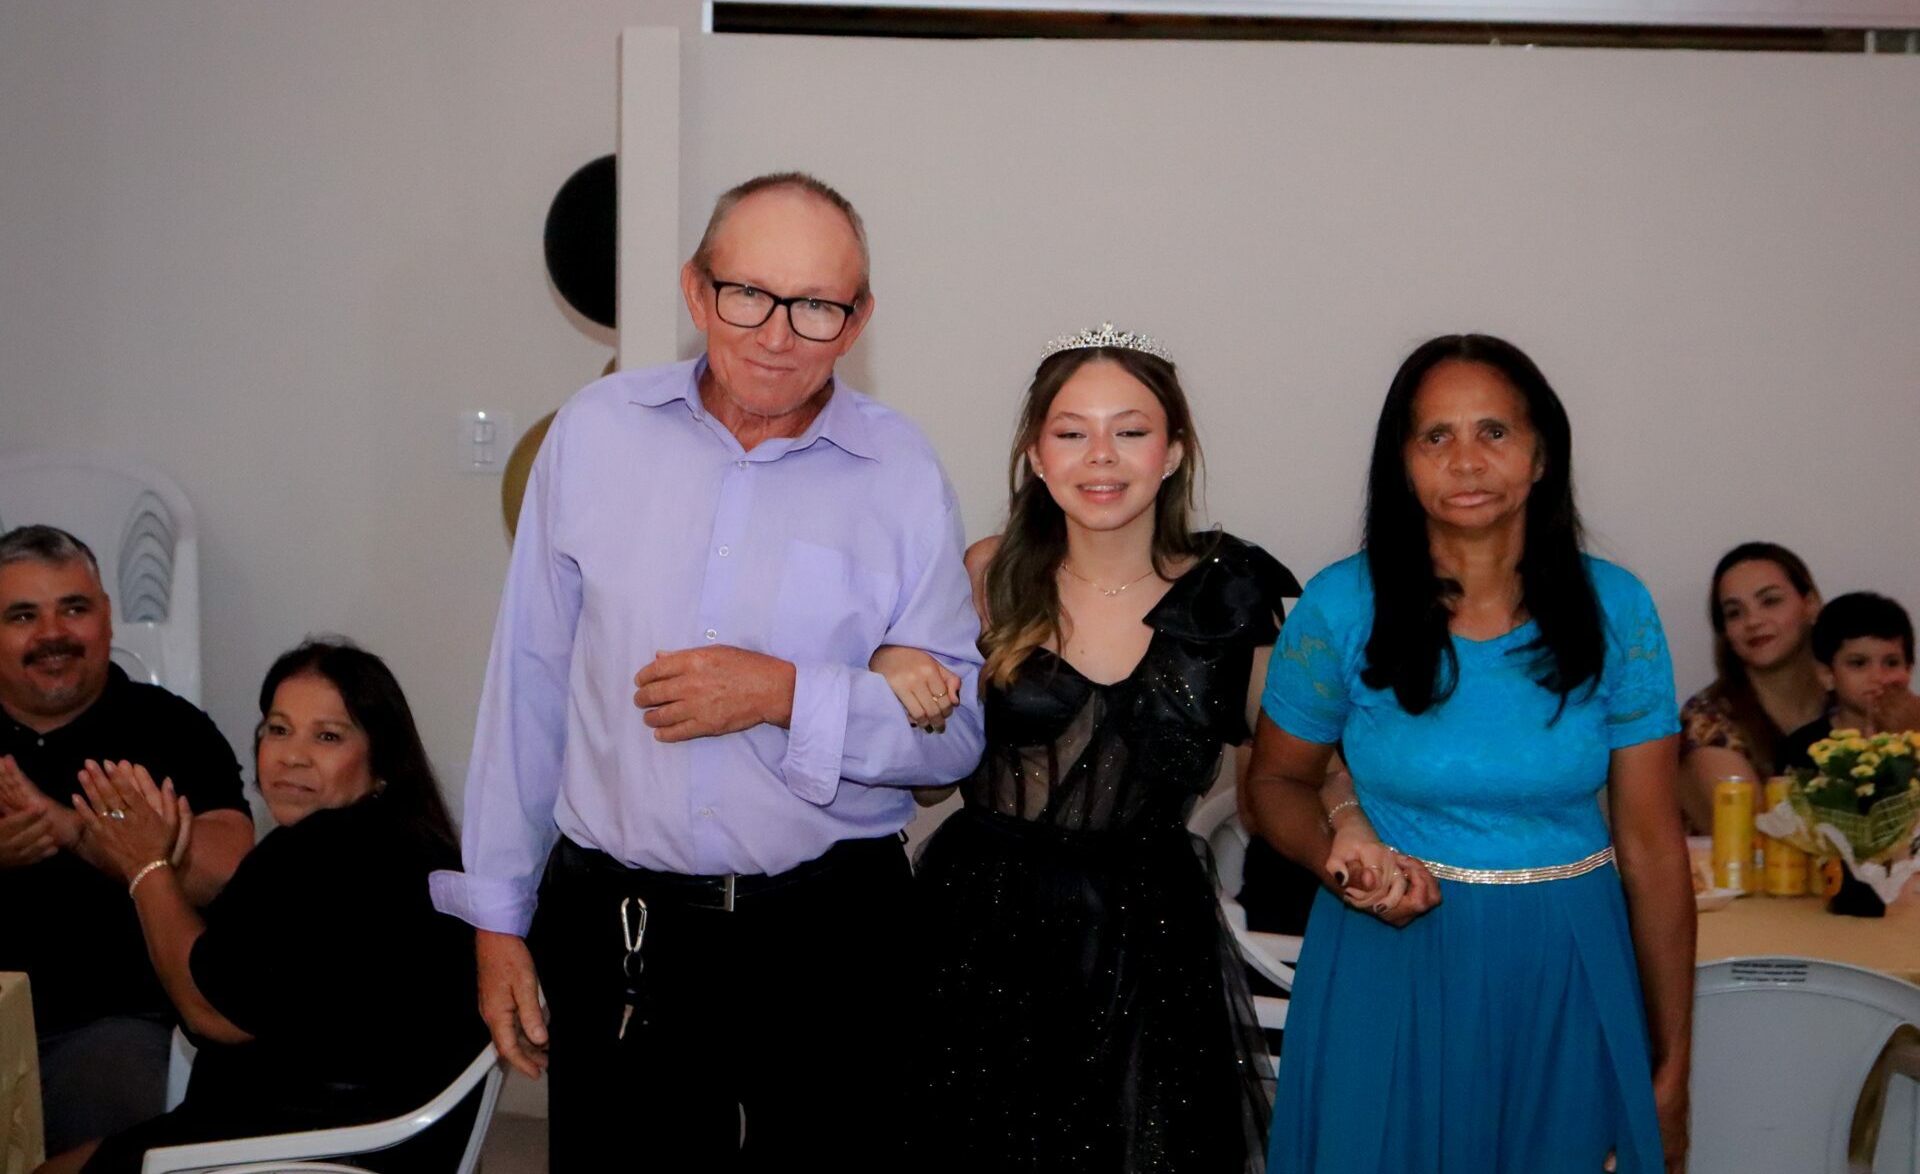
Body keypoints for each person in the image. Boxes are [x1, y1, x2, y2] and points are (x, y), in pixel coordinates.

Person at [431, 172, 985, 1172]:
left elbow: (954, 737)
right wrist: (498, 920)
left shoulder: (901, 475)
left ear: (858, 319)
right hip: (623, 932)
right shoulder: (594, 434)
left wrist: (783, 692)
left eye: (815, 306)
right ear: (696, 290)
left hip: (832, 936)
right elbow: (527, 687)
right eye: (748, 294)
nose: (777, 334)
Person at [873, 327, 1331, 1173]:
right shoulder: (986, 575)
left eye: (1131, 429)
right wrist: (893, 668)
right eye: (1071, 431)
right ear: (1036, 456)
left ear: (1173, 451)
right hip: (980, 928)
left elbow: (1302, 769)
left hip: (1148, 938)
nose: (1101, 456)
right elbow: (927, 780)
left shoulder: (1234, 593)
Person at [1247, 334, 1695, 1174]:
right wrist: (1342, 859)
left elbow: (1653, 848)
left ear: (1540, 454)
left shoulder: (1618, 609)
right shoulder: (1342, 604)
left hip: (1569, 965)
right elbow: (1273, 781)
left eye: (1494, 431)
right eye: (1436, 436)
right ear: (1403, 462)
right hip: (1388, 958)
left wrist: (1672, 1066)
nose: (1466, 461)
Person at [36, 639, 483, 1174]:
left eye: (328, 736)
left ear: (382, 759)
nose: (293, 755)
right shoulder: (407, 839)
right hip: (389, 1138)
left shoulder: (321, 853)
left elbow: (212, 1013)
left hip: (310, 1148)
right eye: (278, 729)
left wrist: (144, 867)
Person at [0, 525, 252, 1158]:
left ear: (107, 618)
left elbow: (230, 871)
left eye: (73, 609)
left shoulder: (169, 728)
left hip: (112, 1026)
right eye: (23, 616)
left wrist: (81, 831)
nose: (52, 634)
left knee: (111, 1144)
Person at [1677, 542, 1826, 830]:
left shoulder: (1848, 702)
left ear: (1811, 604)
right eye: (1734, 612)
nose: (1753, 621)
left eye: (1770, 601)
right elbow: (1752, 835)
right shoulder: (1707, 720)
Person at [1790, 592, 1920, 753]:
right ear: (1827, 675)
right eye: (1858, 663)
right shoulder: (1805, 747)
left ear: (1908, 669)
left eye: (1891, 663)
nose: (1878, 676)